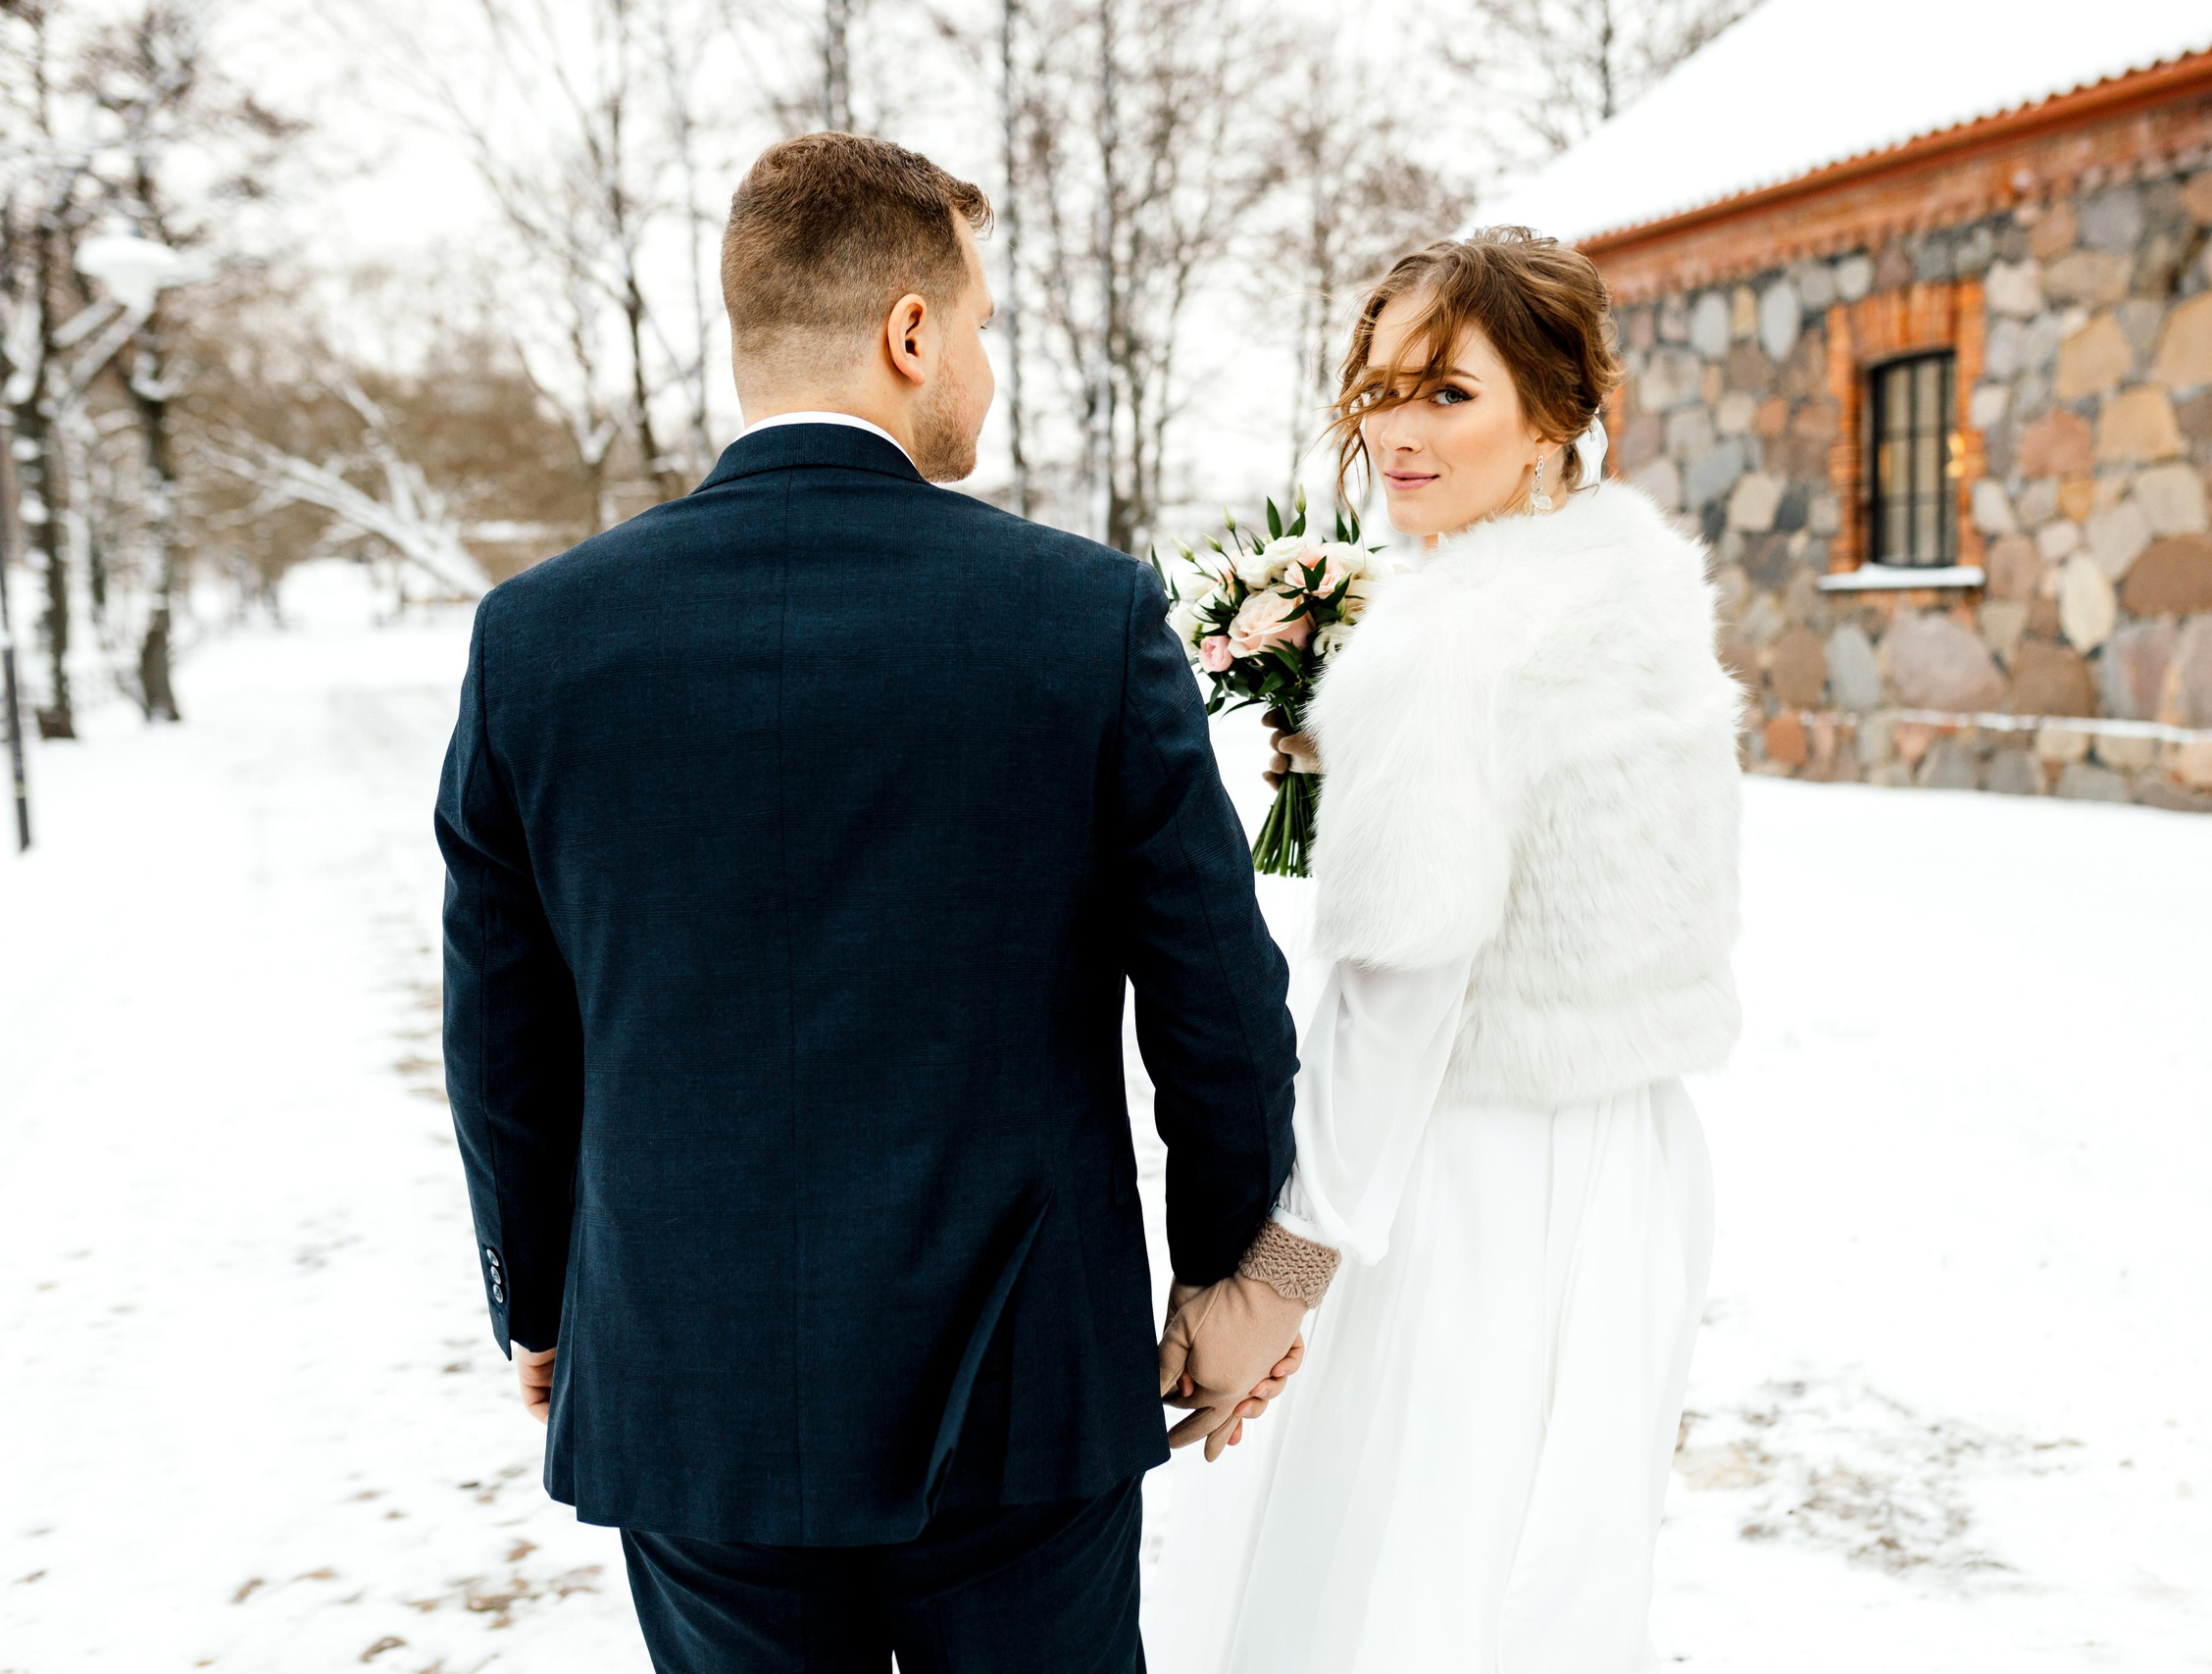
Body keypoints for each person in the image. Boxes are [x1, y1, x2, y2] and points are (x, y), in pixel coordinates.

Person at [433, 131, 1334, 1674]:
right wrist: (1232, 1274)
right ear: (908, 331)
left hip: (690, 1376)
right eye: (981, 324)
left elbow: (504, 1036)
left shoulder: (540, 640)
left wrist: (543, 1298)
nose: (983, 361)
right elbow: (1218, 1005)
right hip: (1020, 1384)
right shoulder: (1085, 617)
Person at [1144, 228, 1744, 1673]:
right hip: (1629, 1166)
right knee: (1534, 1587)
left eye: (1445, 394)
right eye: (1376, 391)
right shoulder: (1642, 588)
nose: (1395, 431)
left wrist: (1282, 1270)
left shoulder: (1440, 649)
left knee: (1390, 1582)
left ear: (1554, 413)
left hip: (1458, 1189)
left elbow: (1396, 998)